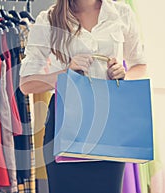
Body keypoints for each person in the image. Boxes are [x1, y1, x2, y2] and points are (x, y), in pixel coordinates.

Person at [19, 0, 147, 192]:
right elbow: (26, 84)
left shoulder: (121, 13)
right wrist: (65, 73)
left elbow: (140, 65)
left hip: (109, 125)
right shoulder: (48, 20)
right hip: (65, 125)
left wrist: (124, 75)